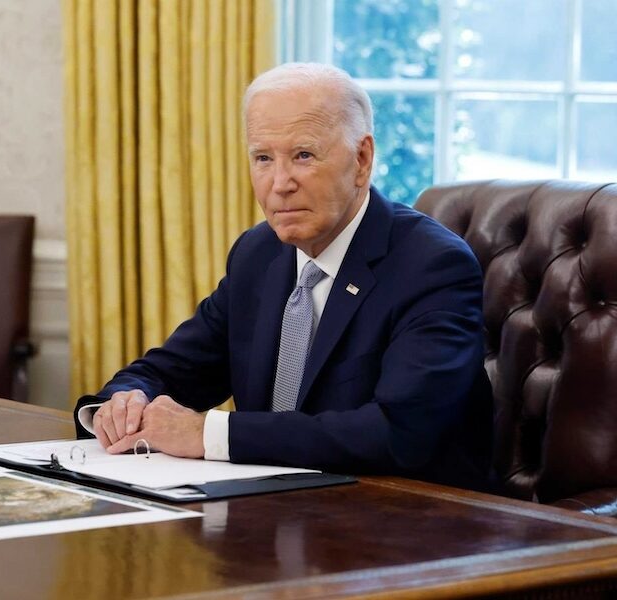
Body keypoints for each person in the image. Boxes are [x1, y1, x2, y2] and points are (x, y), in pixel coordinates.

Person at [74, 63, 493, 489]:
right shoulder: (258, 254)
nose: (279, 184)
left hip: (407, 512)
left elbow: (398, 432)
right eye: (263, 158)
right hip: (272, 508)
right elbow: (176, 369)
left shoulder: (433, 265)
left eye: (303, 156)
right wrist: (126, 400)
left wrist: (208, 434)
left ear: (362, 160)